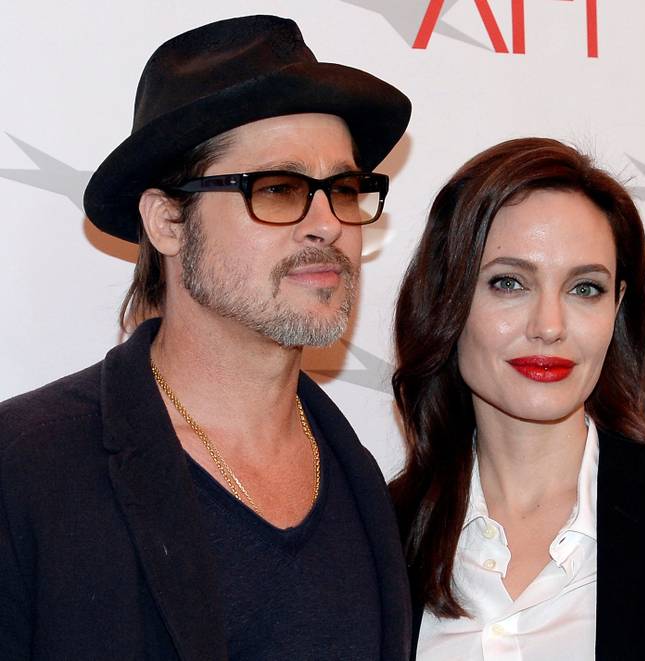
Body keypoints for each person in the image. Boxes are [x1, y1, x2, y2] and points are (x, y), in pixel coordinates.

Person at [0, 15, 412, 660]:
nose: (327, 224)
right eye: (278, 189)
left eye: (345, 190)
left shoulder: (364, 485)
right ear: (166, 221)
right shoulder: (25, 471)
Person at [390, 137, 645, 660]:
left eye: (584, 288)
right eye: (509, 283)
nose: (549, 326)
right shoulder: (375, 536)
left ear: (618, 309)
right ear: (446, 300)